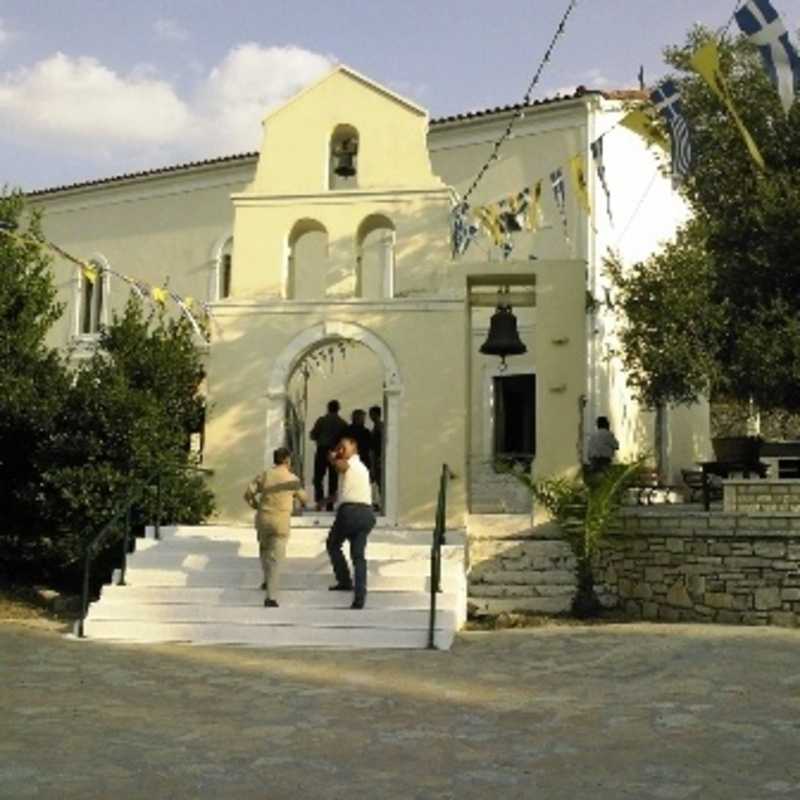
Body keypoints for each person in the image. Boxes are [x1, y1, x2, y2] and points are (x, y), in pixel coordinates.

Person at [243, 447, 307, 607]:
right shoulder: (292, 478)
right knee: (276, 558)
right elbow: (305, 499)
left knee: (264, 550)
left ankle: (266, 580)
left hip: (263, 518)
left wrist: (256, 505)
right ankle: (270, 596)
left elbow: (248, 494)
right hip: (281, 521)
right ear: (287, 460)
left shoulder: (265, 475)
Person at [325, 432, 376, 610]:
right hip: (366, 513)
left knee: (332, 544)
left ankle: (345, 580)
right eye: (338, 447)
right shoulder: (361, 468)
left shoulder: (351, 463)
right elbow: (346, 490)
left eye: (343, 447)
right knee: (358, 556)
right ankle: (359, 596)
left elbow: (341, 466)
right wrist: (327, 500)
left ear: (354, 447)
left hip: (350, 512)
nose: (340, 450)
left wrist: (332, 458)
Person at [310, 399, 347, 511]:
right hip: (335, 452)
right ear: (338, 409)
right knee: (333, 479)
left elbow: (313, 435)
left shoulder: (322, 421)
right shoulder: (342, 423)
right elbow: (345, 439)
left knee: (318, 478)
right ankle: (330, 504)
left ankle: (320, 502)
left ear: (328, 408)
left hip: (322, 450)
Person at [345, 409, 373, 474]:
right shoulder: (365, 432)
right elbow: (370, 447)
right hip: (363, 460)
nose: (364, 420)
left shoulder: (347, 430)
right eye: (363, 418)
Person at [368, 405, 384, 511]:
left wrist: (380, 457)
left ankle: (380, 503)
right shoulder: (377, 426)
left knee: (379, 481)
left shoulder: (379, 427)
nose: (370, 416)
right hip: (376, 457)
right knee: (376, 481)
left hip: (378, 457)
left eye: (371, 414)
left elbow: (380, 443)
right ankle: (378, 502)